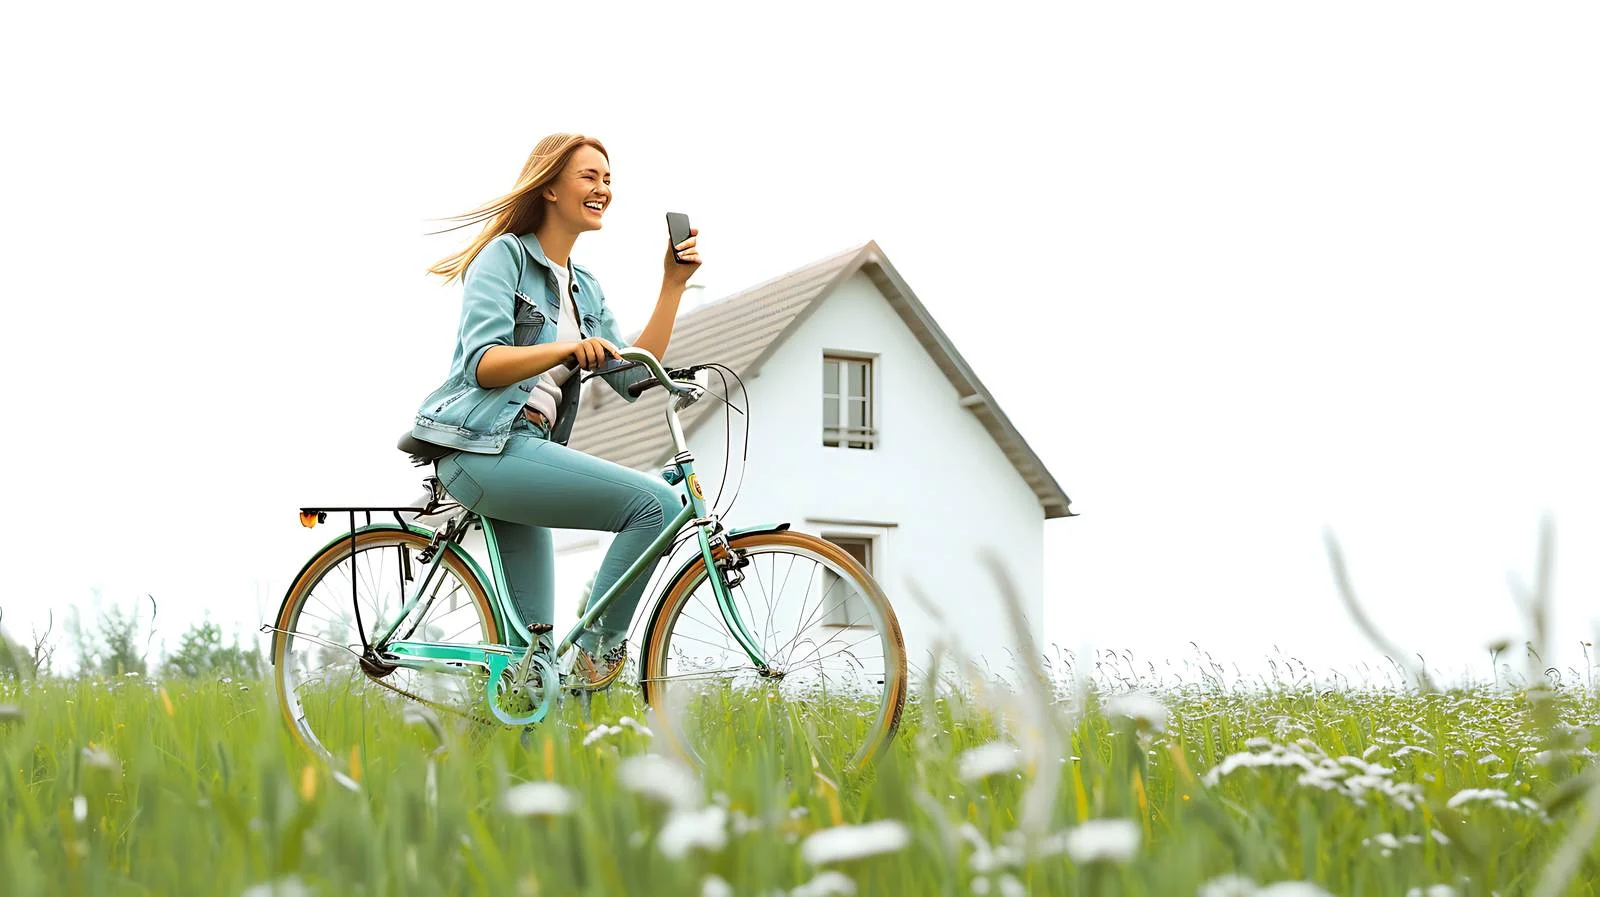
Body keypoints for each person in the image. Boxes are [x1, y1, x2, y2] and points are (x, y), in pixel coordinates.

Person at [412, 133, 701, 690]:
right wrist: (565, 349)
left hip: (528, 453)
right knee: (656, 505)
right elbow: (484, 363)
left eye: (608, 179)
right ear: (549, 188)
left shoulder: (585, 289)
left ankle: (523, 737)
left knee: (532, 661)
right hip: (483, 445)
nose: (603, 190)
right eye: (589, 177)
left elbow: (632, 375)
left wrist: (672, 285)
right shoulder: (505, 257)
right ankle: (596, 657)